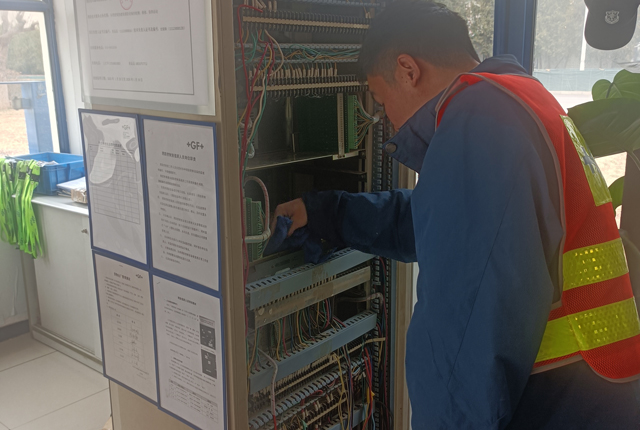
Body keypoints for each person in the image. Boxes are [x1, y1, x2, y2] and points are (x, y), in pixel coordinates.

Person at [273, 1, 640, 429]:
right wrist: (324, 213)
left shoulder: (478, 120)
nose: (387, 122)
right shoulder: (518, 98)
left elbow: (463, 340)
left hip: (561, 403)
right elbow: (438, 220)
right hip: (593, 393)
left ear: (407, 70)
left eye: (381, 100)